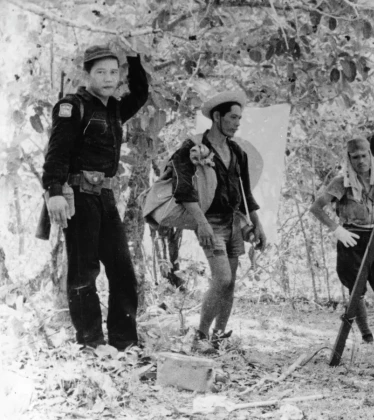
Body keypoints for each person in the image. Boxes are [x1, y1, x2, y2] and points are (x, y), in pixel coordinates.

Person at [42, 45, 149, 349]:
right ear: (87, 74)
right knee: (83, 273)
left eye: (114, 72)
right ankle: (91, 344)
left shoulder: (114, 108)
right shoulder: (72, 106)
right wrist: (54, 191)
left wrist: (134, 59)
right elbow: (57, 153)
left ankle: (124, 344)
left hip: (105, 197)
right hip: (77, 196)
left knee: (123, 270)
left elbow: (140, 94)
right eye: (101, 72)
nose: (108, 78)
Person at [170, 91, 266, 353]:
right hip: (210, 221)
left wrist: (257, 224)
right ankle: (199, 337)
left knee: (230, 282)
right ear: (216, 117)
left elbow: (245, 193)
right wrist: (201, 223)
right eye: (232, 118)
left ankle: (219, 337)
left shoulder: (237, 151)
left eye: (239, 118)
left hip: (234, 221)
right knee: (222, 278)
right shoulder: (192, 147)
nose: (237, 123)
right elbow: (183, 189)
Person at [310, 138, 374, 345]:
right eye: (355, 157)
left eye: (364, 155)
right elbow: (316, 207)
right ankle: (366, 335)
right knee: (356, 288)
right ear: (349, 158)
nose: (361, 161)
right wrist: (336, 229)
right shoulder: (341, 182)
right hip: (352, 238)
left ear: (371, 155)